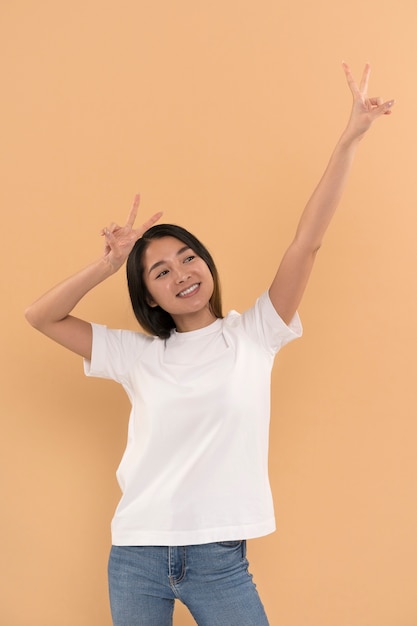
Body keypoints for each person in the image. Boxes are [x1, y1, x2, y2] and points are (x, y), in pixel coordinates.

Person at [25, 63, 394, 626]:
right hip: (137, 553)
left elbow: (306, 244)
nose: (182, 275)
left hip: (219, 559)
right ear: (149, 296)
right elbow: (41, 316)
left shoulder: (256, 333)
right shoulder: (137, 356)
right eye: (161, 272)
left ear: (207, 263)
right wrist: (107, 265)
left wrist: (349, 140)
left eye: (188, 258)